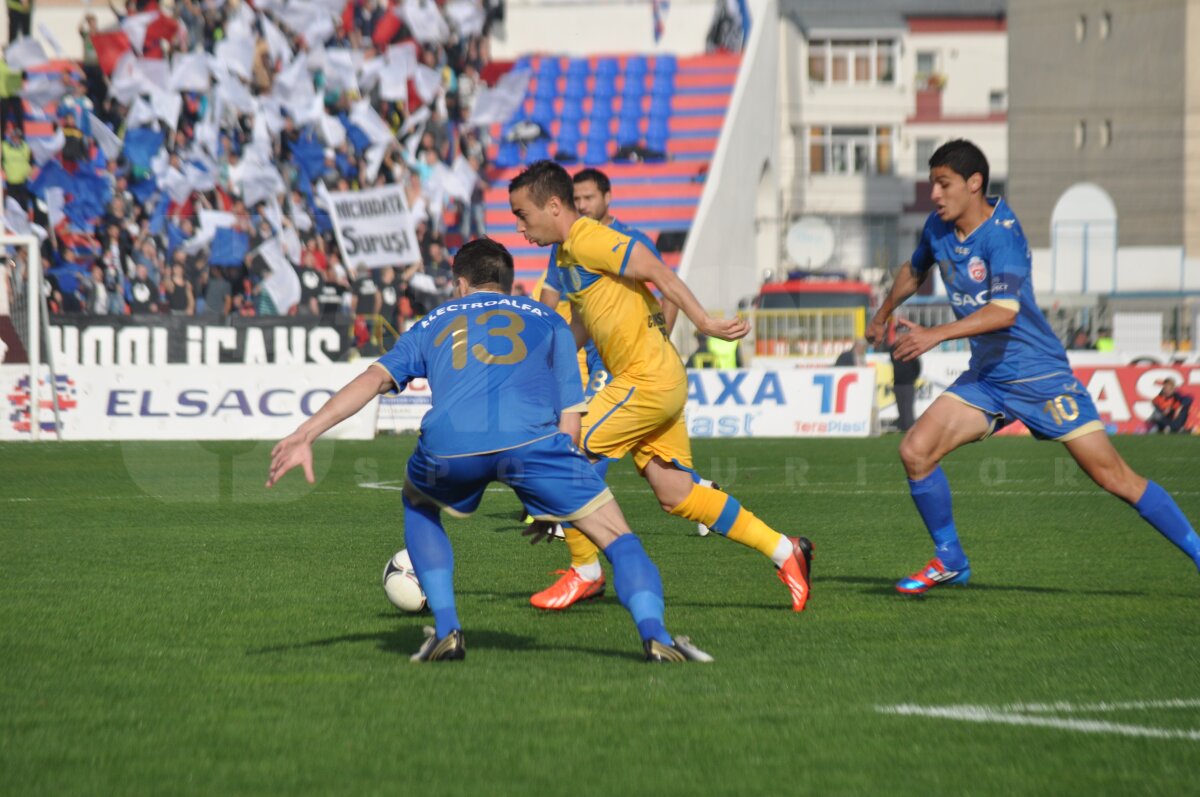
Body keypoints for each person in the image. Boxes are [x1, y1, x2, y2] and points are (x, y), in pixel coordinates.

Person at [266, 239, 712, 664]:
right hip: (535, 444)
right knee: (619, 538)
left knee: (419, 503)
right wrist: (552, 503)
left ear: (459, 283)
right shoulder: (549, 319)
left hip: (451, 445)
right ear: (508, 282)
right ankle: (657, 637)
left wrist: (308, 432)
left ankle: (446, 631)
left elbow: (373, 379)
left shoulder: (431, 322)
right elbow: (570, 421)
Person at [865, 139, 1200, 594]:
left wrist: (934, 334)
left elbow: (1004, 311)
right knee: (915, 451)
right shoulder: (937, 227)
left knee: (1115, 478)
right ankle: (951, 559)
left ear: (974, 183)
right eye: (933, 185)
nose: (936, 195)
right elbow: (915, 268)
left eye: (943, 184)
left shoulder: (1002, 234)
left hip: (1040, 376)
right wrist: (883, 313)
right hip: (988, 378)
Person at [509, 160, 814, 613]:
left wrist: (705, 321)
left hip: (645, 379)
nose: (519, 227)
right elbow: (585, 322)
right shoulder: (568, 252)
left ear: (553, 205)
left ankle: (586, 571)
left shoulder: (591, 238)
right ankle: (785, 551)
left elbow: (658, 271)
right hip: (659, 378)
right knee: (677, 494)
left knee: (562, 453)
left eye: (522, 214)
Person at [890, 325, 921, 432]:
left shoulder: (911, 347)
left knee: (908, 408)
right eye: (899, 333)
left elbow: (917, 366)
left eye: (903, 333)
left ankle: (910, 428)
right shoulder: (893, 348)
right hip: (897, 382)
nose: (901, 335)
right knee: (900, 407)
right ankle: (903, 427)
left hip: (908, 382)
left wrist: (912, 378)